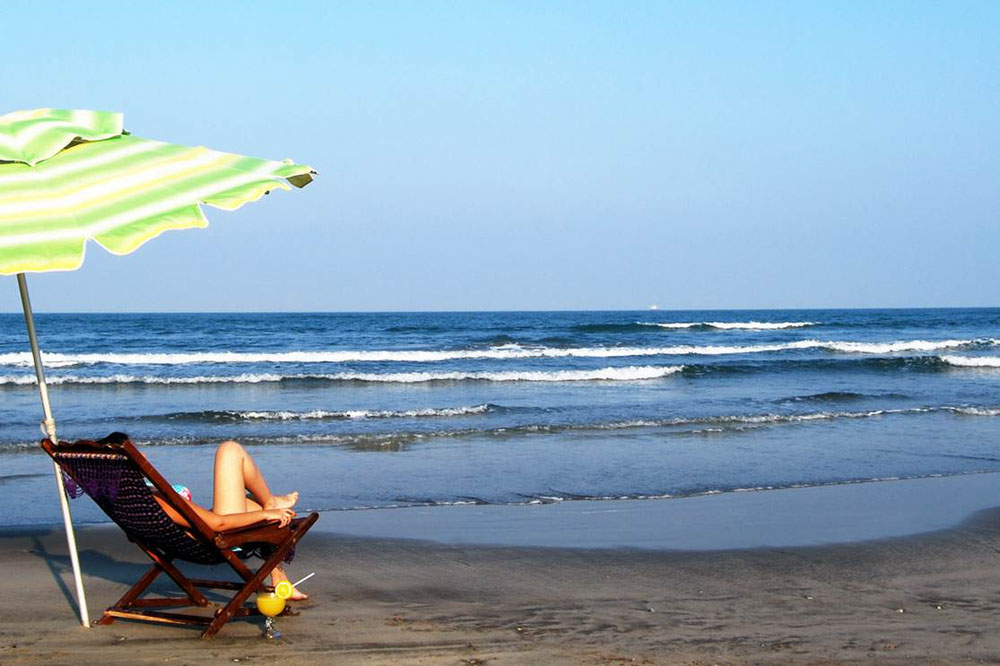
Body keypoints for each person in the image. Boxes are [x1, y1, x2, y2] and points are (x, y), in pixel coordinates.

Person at [117, 435, 308, 601]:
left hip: (193, 537)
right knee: (229, 450)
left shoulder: (130, 499)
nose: (143, 455)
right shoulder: (154, 499)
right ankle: (270, 503)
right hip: (215, 538)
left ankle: (280, 579)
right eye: (135, 452)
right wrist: (265, 514)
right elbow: (218, 523)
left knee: (253, 502)